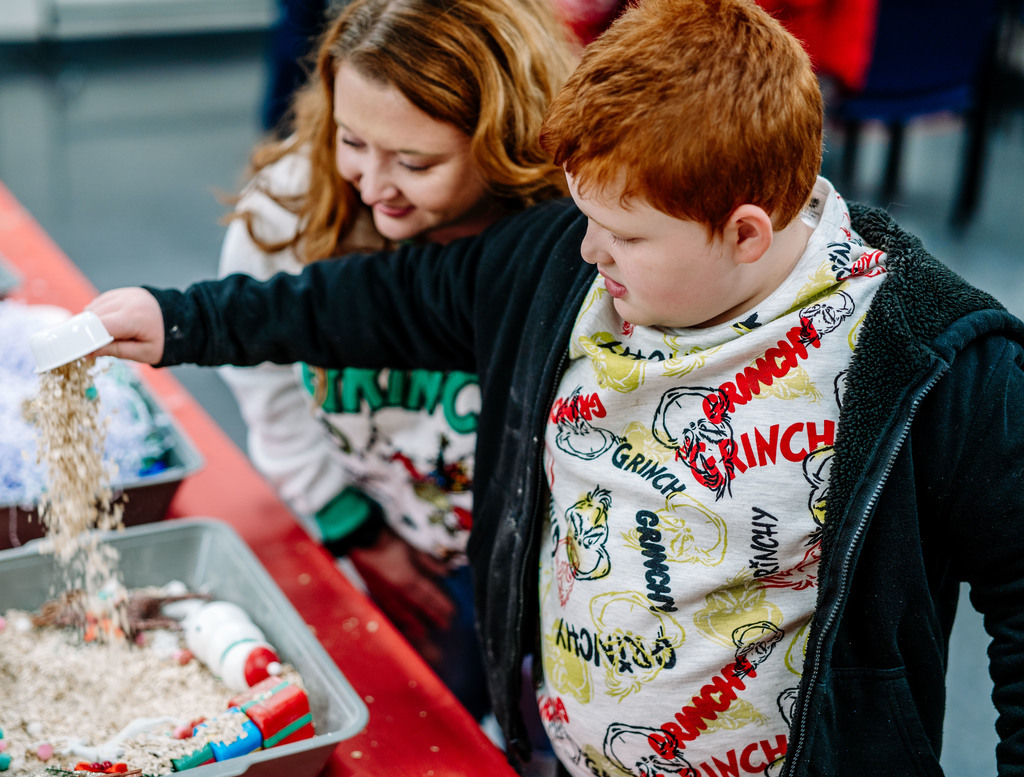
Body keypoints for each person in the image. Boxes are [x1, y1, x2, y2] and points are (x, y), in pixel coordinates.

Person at [88, 0, 1024, 774]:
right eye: (584, 218)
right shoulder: (558, 262)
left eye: (623, 236)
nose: (587, 252)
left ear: (746, 231)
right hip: (554, 745)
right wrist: (181, 320)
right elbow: (371, 298)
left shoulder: (941, 362)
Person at [215, 0, 576, 725]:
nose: (374, 184)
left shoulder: (570, 234)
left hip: (539, 568)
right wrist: (348, 523)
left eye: (415, 162)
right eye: (352, 139)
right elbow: (264, 377)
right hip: (380, 533)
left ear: (506, 139)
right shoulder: (290, 211)